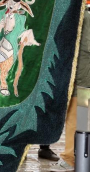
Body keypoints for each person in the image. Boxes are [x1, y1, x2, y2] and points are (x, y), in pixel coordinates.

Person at [50, 10, 90, 171]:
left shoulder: (83, 16)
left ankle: (71, 158)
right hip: (83, 79)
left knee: (78, 119)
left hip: (82, 81)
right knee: (80, 119)